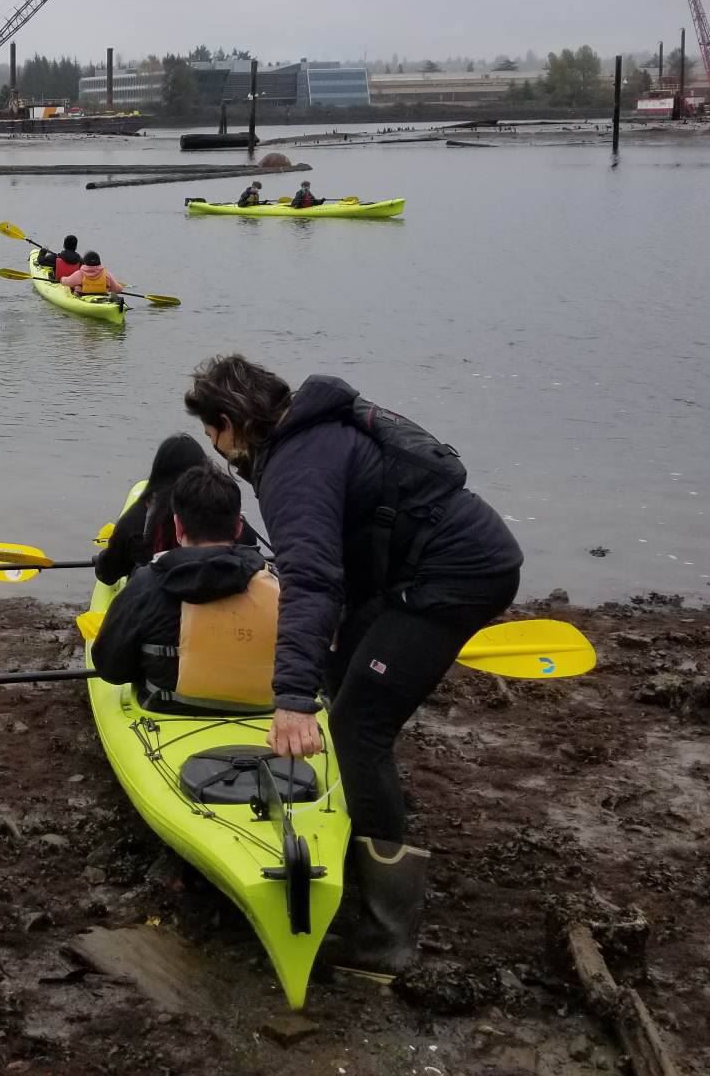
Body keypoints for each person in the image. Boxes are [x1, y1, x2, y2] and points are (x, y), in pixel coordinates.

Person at [183, 356, 522, 980]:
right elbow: (344, 552)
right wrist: (325, 656)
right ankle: (374, 831)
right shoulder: (309, 434)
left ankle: (384, 942)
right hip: (407, 573)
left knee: (357, 730)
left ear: (231, 423)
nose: (218, 451)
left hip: (455, 577)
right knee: (345, 678)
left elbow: (309, 579)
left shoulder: (294, 467)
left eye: (214, 437)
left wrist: (290, 698)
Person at [90, 463, 276, 713]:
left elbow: (109, 667)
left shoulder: (146, 584)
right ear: (238, 527)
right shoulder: (276, 584)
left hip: (168, 708)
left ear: (178, 527)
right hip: (264, 711)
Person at [95, 434, 258, 585]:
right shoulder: (224, 514)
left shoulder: (134, 521)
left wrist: (104, 556)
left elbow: (107, 574)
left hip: (159, 601)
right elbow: (250, 543)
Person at [59, 251, 124, 298]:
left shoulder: (79, 274)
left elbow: (65, 282)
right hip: (102, 298)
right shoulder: (107, 274)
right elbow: (118, 289)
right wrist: (120, 286)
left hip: (83, 299)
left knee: (77, 286)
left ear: (85, 262)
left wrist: (62, 279)